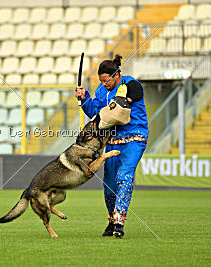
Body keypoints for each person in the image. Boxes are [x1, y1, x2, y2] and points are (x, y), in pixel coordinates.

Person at [74, 54, 148, 238]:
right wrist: (84, 98)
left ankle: (119, 221)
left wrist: (123, 102)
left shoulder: (130, 84)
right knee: (108, 185)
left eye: (106, 80)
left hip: (134, 138)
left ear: (116, 75)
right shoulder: (101, 89)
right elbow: (95, 113)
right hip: (113, 141)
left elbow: (135, 94)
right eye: (102, 81)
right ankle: (111, 219)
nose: (105, 84)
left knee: (124, 176)